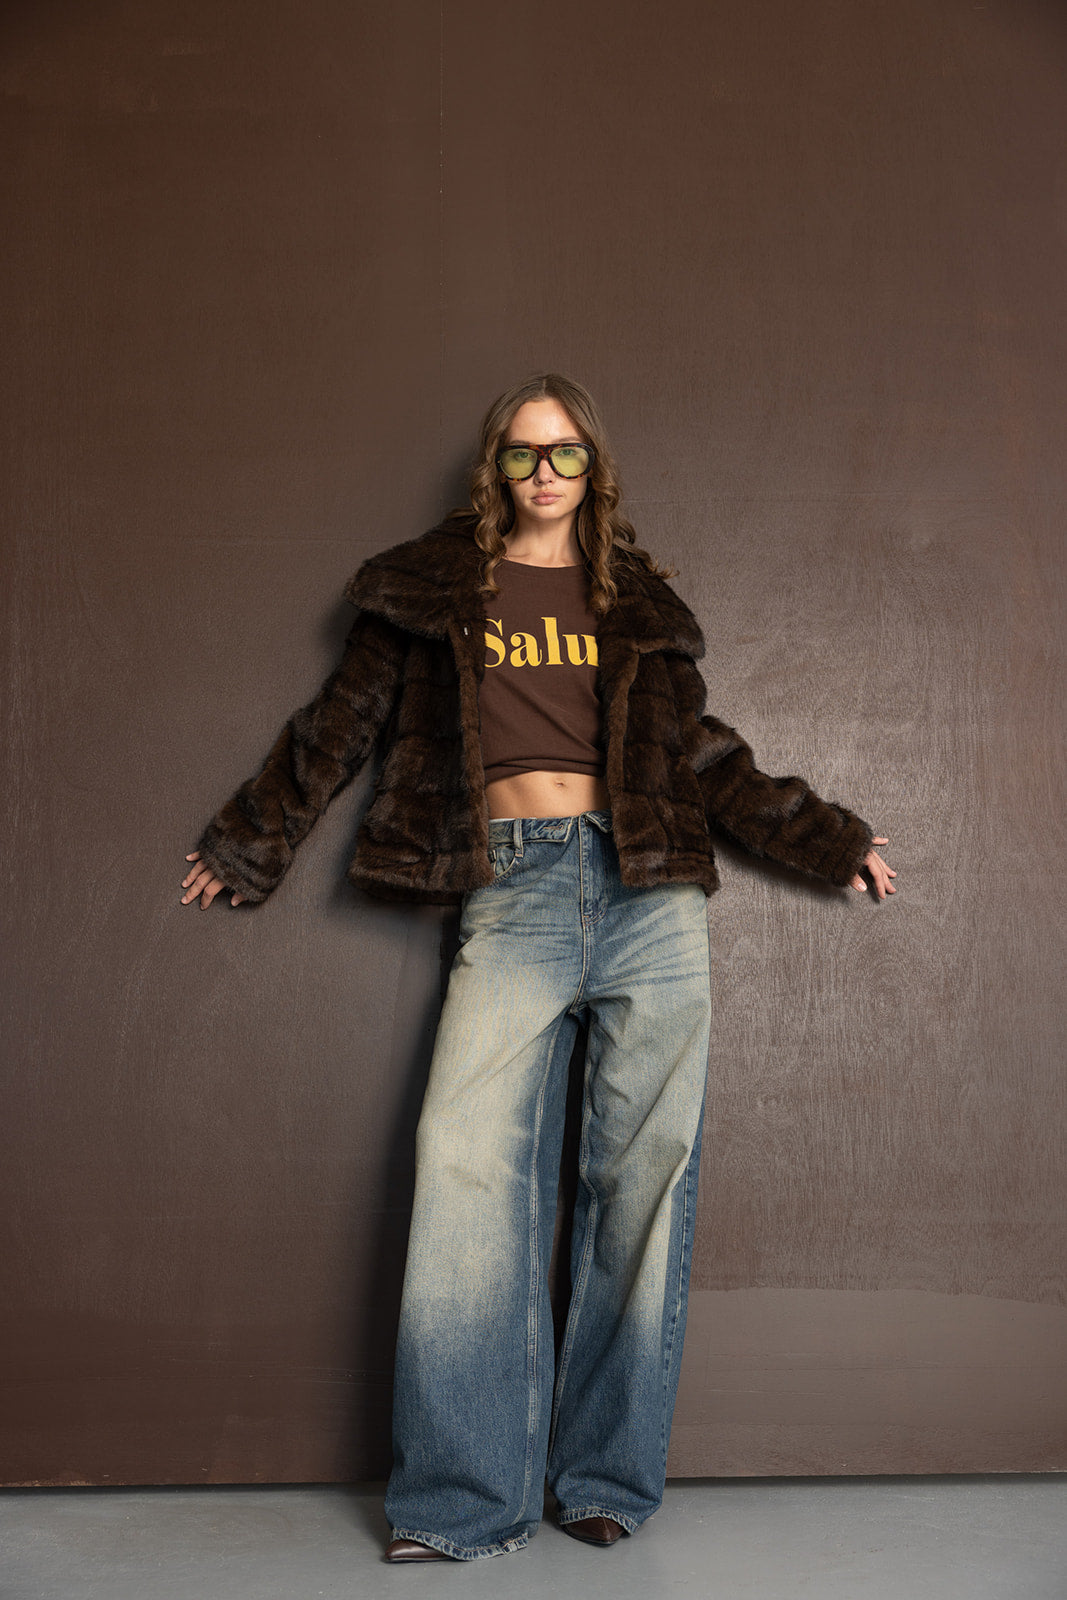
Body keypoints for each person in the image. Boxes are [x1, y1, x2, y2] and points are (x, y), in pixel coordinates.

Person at [181, 373, 895, 1562]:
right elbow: (335, 726)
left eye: (564, 453)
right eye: (522, 454)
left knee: (643, 1179)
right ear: (495, 468)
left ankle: (604, 1476)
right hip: (512, 886)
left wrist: (828, 840)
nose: (544, 473)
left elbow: (705, 756)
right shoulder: (427, 591)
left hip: (650, 891)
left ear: (592, 468)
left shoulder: (637, 602)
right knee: (465, 1167)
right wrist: (246, 842)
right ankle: (462, 1499)